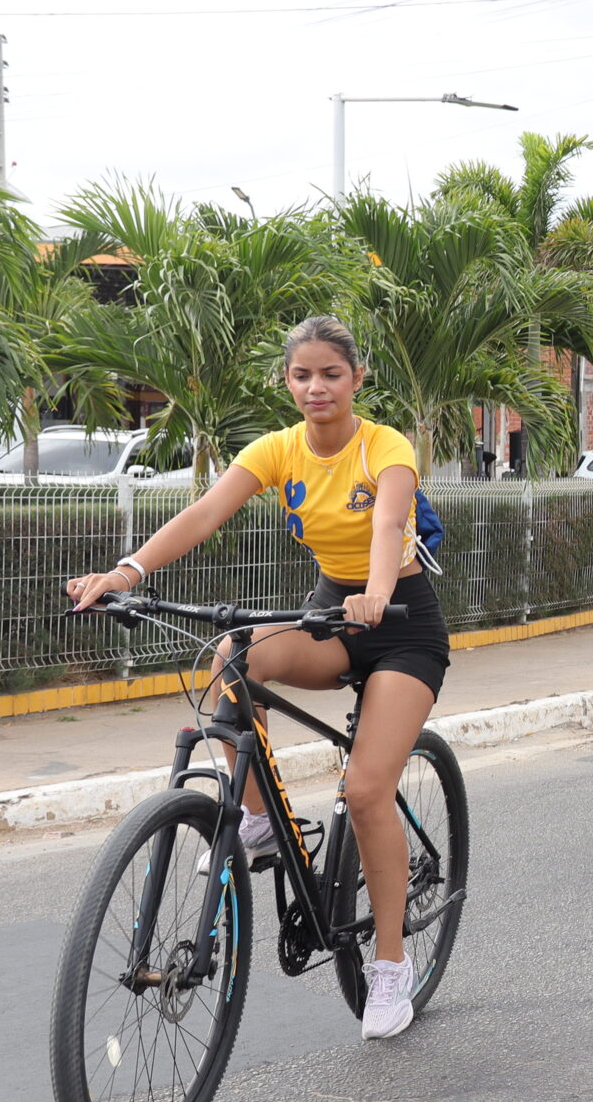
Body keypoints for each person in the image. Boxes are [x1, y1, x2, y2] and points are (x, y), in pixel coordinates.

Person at [65, 315, 448, 1041]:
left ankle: (391, 964)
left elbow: (389, 522)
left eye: (330, 374)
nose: (316, 388)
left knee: (366, 791)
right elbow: (205, 512)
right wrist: (126, 572)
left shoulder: (384, 446)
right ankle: (259, 818)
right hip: (333, 613)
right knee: (232, 657)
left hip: (400, 623)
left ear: (356, 379)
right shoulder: (277, 450)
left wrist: (373, 590)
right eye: (302, 375)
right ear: (288, 382)